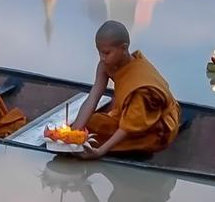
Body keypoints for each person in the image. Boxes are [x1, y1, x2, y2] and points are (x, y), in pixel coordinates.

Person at [64, 20, 180, 159]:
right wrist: (74, 133)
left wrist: (100, 152)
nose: (102, 58)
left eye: (107, 53)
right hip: (131, 117)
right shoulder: (105, 66)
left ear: (124, 48)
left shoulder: (141, 88)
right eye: (99, 52)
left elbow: (128, 127)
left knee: (94, 134)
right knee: (88, 124)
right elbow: (94, 96)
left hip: (155, 130)